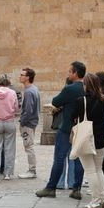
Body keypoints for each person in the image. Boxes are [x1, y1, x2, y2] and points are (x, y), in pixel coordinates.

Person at [36, 61, 87, 198]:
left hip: (67, 127)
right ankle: (76, 188)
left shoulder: (70, 89)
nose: (68, 74)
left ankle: (51, 187)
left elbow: (56, 101)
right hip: (81, 127)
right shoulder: (87, 88)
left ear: (75, 73)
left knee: (59, 158)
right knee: (78, 159)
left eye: (70, 71)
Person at [72, 73, 104, 208]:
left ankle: (96, 200)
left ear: (86, 85)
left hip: (86, 138)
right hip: (100, 138)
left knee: (90, 170)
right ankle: (103, 198)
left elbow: (73, 117)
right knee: (99, 169)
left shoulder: (80, 100)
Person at [17, 68, 40, 178]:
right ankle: (32, 170)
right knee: (29, 145)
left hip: (28, 123)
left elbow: (28, 110)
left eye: (22, 75)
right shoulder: (33, 89)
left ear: (27, 77)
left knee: (29, 146)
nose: (20, 76)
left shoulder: (29, 91)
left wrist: (22, 122)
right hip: (32, 121)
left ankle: (32, 170)